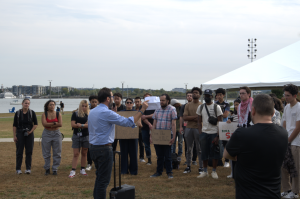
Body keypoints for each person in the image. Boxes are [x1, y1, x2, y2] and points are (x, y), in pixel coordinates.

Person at [224, 94, 288, 199]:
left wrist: (240, 157)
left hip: (247, 193)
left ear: (252, 111)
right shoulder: (283, 133)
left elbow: (227, 154)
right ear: (272, 113)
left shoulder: (242, 133)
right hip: (273, 193)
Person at [88, 87, 148, 199]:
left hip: (93, 147)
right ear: (107, 98)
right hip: (104, 149)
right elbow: (127, 122)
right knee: (103, 182)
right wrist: (142, 110)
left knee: (99, 179)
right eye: (111, 97)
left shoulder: (92, 111)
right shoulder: (106, 112)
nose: (113, 99)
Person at [197, 89, 223, 179]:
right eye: (205, 95)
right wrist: (200, 132)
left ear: (212, 96)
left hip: (214, 133)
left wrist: (218, 135)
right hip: (204, 133)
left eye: (208, 96)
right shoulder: (200, 107)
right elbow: (199, 121)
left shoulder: (217, 107)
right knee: (204, 153)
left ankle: (214, 171)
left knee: (215, 152)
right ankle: (205, 171)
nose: (206, 97)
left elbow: (220, 121)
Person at [150, 94, 177, 179]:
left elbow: (173, 124)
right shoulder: (157, 110)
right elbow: (154, 124)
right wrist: (151, 135)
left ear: (167, 101)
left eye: (163, 100)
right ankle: (159, 172)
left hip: (167, 136)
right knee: (159, 156)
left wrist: (174, 136)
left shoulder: (172, 109)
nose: (161, 102)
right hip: (158, 136)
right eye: (160, 100)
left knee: (168, 156)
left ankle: (169, 172)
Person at [281, 84, 300, 199]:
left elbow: (298, 128)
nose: (285, 97)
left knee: (296, 168)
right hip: (286, 141)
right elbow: (284, 123)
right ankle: (286, 189)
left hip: (296, 142)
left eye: (288, 96)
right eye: (285, 95)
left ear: (295, 95)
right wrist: (283, 137)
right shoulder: (287, 107)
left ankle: (295, 191)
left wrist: (288, 140)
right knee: (283, 166)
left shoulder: (299, 107)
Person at [13, 99, 38, 174]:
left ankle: (28, 168)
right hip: (20, 133)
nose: (26, 104)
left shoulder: (32, 113)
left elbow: (36, 124)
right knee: (19, 151)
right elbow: (14, 125)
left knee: (29, 152)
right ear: (22, 103)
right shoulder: (17, 113)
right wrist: (15, 136)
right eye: (25, 103)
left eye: (28, 103)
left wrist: (30, 131)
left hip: (29, 134)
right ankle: (18, 169)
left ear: (29, 104)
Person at [183, 87, 203, 174]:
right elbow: (185, 117)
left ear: (199, 95)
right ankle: (188, 166)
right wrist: (196, 117)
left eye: (196, 93)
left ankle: (201, 167)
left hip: (198, 128)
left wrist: (194, 118)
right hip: (188, 128)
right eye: (193, 92)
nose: (195, 94)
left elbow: (202, 118)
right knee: (189, 149)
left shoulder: (202, 105)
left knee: (199, 149)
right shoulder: (187, 105)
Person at [69, 100, 90, 178]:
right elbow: (73, 124)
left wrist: (80, 125)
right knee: (76, 154)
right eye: (82, 106)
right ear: (80, 106)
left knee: (84, 153)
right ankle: (73, 170)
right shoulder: (75, 113)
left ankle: (82, 169)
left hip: (86, 136)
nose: (84, 107)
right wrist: (84, 125)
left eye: (85, 106)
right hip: (76, 136)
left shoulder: (89, 114)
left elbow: (89, 125)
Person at [119, 98, 141, 175]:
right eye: (127, 102)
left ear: (133, 103)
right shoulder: (121, 112)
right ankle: (124, 170)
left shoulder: (137, 112)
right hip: (123, 135)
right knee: (123, 153)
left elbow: (140, 123)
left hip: (133, 135)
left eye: (130, 102)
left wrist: (139, 125)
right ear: (125, 103)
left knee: (133, 153)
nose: (129, 104)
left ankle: (133, 171)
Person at [41, 100, 63, 175]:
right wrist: (54, 123)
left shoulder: (58, 114)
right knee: (46, 153)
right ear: (47, 106)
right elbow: (44, 124)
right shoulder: (44, 114)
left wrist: (49, 124)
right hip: (46, 134)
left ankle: (55, 169)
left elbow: (60, 124)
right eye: (50, 105)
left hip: (57, 134)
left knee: (57, 152)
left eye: (53, 105)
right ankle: (47, 168)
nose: (52, 106)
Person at [180, 91, 198, 166]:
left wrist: (190, 118)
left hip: (196, 127)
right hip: (186, 127)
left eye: (190, 95)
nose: (189, 97)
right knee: (187, 145)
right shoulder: (184, 106)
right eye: (188, 96)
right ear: (186, 97)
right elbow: (182, 117)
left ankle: (194, 159)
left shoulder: (198, 105)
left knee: (196, 144)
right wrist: (181, 127)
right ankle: (188, 160)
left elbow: (199, 117)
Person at [215, 88, 230, 168]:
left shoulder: (226, 104)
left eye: (220, 95)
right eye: (218, 95)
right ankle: (218, 160)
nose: (219, 96)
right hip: (216, 125)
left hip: (224, 125)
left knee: (225, 144)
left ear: (223, 95)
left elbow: (226, 115)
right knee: (217, 143)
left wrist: (217, 115)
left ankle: (227, 161)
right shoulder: (215, 103)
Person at [226, 97, 241, 178]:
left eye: (237, 104)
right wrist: (229, 121)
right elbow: (230, 123)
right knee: (232, 155)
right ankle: (233, 172)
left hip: (242, 137)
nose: (236, 106)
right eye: (235, 105)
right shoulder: (233, 114)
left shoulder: (244, 114)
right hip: (234, 136)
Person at [141, 92, 155, 165]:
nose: (147, 99)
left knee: (156, 143)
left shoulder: (155, 106)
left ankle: (160, 158)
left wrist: (146, 116)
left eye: (149, 97)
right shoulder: (142, 107)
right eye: (146, 98)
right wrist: (149, 124)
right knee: (146, 144)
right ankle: (149, 160)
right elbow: (142, 117)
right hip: (145, 127)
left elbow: (155, 115)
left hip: (155, 127)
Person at [86, 95, 99, 171]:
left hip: (97, 132)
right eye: (92, 102)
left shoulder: (99, 110)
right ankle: (89, 163)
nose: (94, 103)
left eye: (95, 102)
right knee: (89, 148)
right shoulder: (88, 111)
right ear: (90, 102)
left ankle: (97, 163)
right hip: (89, 132)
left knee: (97, 148)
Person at [134, 96, 146, 163]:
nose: (137, 103)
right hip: (134, 129)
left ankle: (141, 157)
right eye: (136, 102)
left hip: (141, 129)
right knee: (134, 144)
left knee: (141, 144)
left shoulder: (143, 109)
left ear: (140, 102)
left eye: (138, 101)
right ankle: (134, 156)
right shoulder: (133, 109)